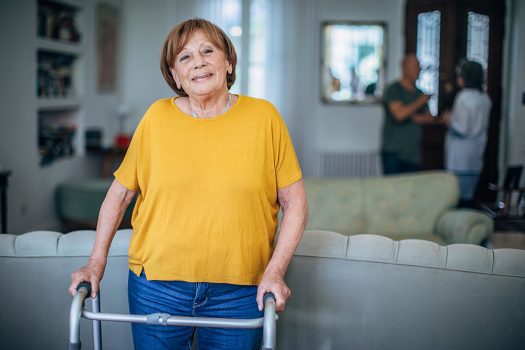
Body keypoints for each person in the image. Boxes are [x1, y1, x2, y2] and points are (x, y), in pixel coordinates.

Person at [69, 18, 308, 350]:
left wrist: (276, 270)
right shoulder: (156, 118)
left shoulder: (264, 117)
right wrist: (96, 261)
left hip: (240, 291)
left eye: (208, 50)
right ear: (175, 74)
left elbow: (295, 202)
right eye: (184, 57)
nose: (198, 61)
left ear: (228, 62)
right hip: (157, 287)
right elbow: (120, 194)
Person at [443, 59, 491, 205]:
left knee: (456, 200)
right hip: (476, 156)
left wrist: (448, 120)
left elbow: (462, 129)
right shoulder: (485, 98)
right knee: (469, 198)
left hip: (460, 159)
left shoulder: (463, 97)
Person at [381, 54, 436, 174]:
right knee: (391, 189)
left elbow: (429, 118)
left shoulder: (419, 92)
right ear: (404, 67)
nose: (418, 70)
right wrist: (420, 102)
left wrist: (408, 114)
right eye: (415, 66)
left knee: (410, 190)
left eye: (419, 67)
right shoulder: (393, 89)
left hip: (413, 154)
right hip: (393, 152)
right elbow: (399, 116)